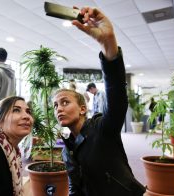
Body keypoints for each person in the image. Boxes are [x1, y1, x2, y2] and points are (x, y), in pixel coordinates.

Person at [53, 7, 145, 195]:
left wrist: (108, 44)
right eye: (55, 105)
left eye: (64, 102)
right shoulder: (66, 150)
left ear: (82, 109)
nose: (58, 109)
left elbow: (117, 97)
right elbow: (74, 188)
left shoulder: (102, 129)